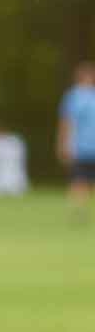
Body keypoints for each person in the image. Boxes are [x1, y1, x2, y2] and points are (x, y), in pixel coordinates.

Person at [57, 61, 95, 219]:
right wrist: (64, 144)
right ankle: (77, 212)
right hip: (81, 147)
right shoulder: (73, 97)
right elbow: (66, 123)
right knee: (79, 180)